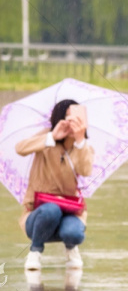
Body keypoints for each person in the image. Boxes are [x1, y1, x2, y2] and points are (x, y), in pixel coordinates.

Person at [16, 100, 94, 271]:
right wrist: (52, 137)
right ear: (60, 118)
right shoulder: (46, 137)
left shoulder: (82, 146)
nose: (73, 121)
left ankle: (71, 247)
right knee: (52, 210)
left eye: (78, 116)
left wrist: (80, 141)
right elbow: (20, 148)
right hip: (39, 215)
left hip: (69, 211)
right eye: (68, 117)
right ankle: (35, 251)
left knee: (73, 232)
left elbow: (86, 170)